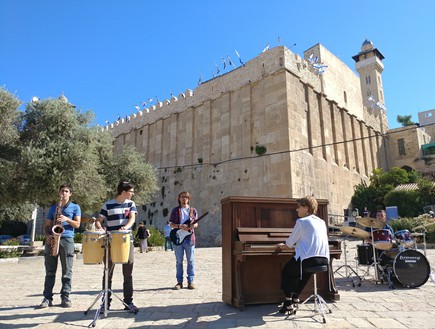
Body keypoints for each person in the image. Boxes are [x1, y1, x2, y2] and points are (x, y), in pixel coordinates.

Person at [276, 196, 329, 315]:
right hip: (323, 259)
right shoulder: (321, 222)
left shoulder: (301, 222)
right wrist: (295, 246)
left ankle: (288, 303)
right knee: (303, 272)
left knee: (287, 272)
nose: (296, 210)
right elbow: (309, 242)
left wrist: (283, 246)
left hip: (308, 259)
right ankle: (296, 297)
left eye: (299, 207)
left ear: (306, 208)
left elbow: (289, 243)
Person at [95, 180, 138, 312]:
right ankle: (105, 303)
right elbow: (99, 221)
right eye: (131, 191)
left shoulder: (131, 204)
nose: (132, 194)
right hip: (110, 241)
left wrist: (125, 227)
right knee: (108, 272)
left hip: (126, 240)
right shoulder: (108, 204)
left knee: (128, 272)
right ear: (123, 192)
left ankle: (128, 302)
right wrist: (100, 229)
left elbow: (132, 219)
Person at [39, 184, 81, 308]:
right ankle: (47, 298)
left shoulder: (75, 207)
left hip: (67, 239)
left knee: (67, 271)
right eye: (62, 191)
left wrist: (67, 219)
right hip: (53, 239)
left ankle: (65, 297)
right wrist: (47, 235)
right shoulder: (54, 208)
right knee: (50, 271)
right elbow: (47, 225)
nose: (64, 193)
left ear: (70, 194)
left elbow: (77, 225)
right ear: (59, 193)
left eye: (66, 191)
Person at [169, 191, 198, 289]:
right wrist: (180, 226)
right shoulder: (175, 210)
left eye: (186, 197)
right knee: (179, 261)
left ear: (189, 198)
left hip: (190, 239)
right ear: (179, 198)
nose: (184, 198)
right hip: (178, 237)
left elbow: (196, 224)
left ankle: (190, 281)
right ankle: (179, 282)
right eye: (182, 197)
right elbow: (171, 224)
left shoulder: (193, 210)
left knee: (190, 260)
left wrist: (192, 225)